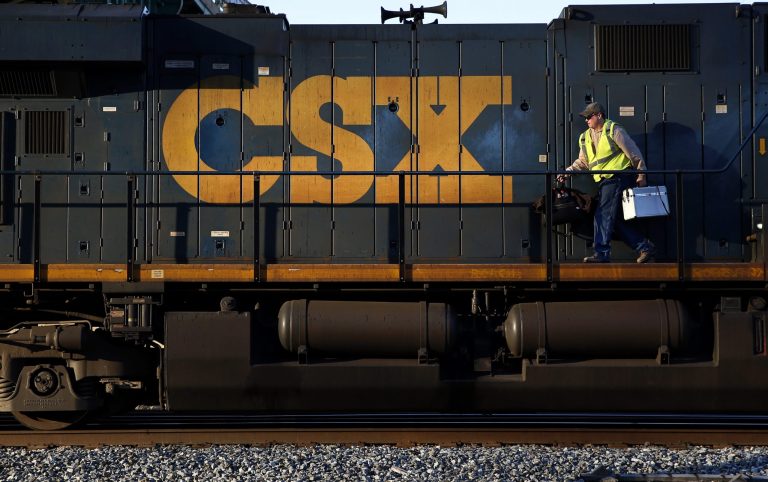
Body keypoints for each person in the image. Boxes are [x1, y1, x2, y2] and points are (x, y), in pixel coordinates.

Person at [558, 102, 656, 263]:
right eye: (585, 117)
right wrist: (567, 172)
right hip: (604, 181)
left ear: (599, 115)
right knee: (613, 219)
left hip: (618, 177)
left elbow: (633, 153)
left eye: (589, 116)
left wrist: (641, 175)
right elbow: (583, 162)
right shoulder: (584, 137)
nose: (586, 120)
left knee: (602, 214)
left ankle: (602, 253)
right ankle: (645, 247)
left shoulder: (614, 130)